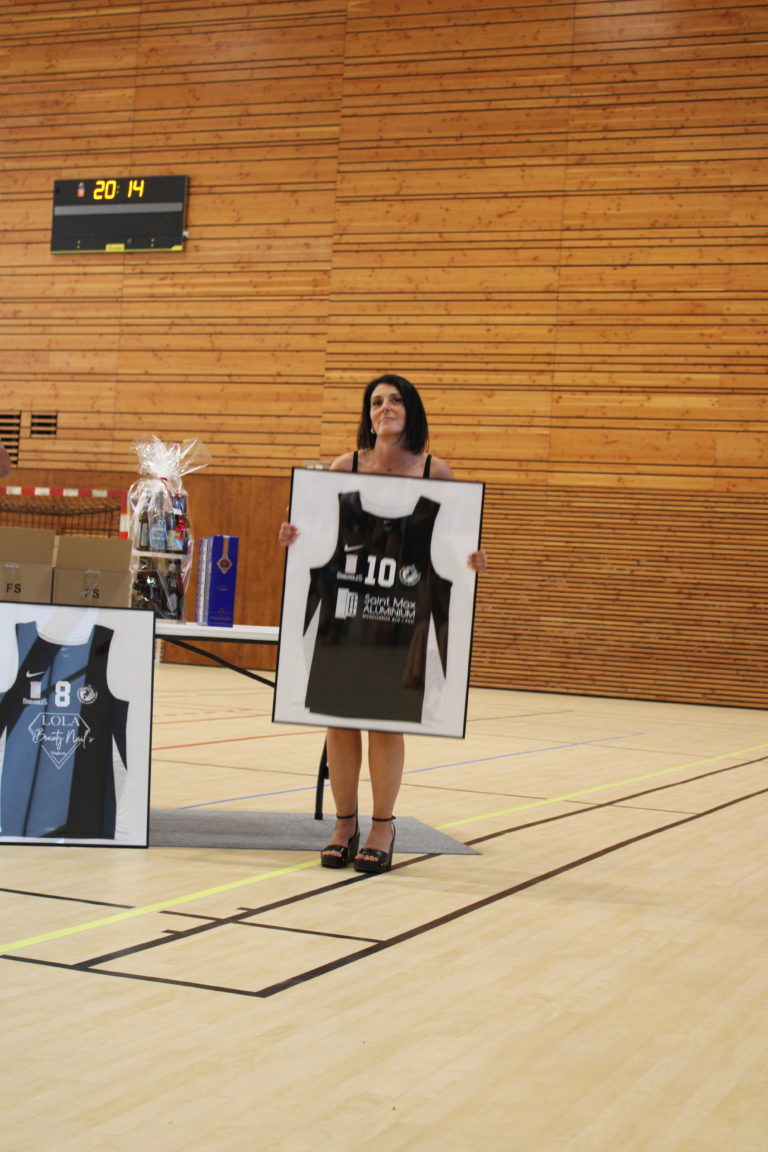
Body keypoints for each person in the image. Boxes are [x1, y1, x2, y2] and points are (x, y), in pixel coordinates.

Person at [278, 373, 487, 874]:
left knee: (386, 723)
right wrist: (292, 535)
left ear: (411, 411)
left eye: (395, 400)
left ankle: (382, 826)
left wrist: (472, 559)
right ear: (367, 415)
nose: (385, 408)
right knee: (340, 721)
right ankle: (344, 824)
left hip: (402, 615)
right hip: (344, 610)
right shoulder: (343, 467)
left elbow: (456, 543)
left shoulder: (436, 472)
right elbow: (316, 535)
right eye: (376, 402)